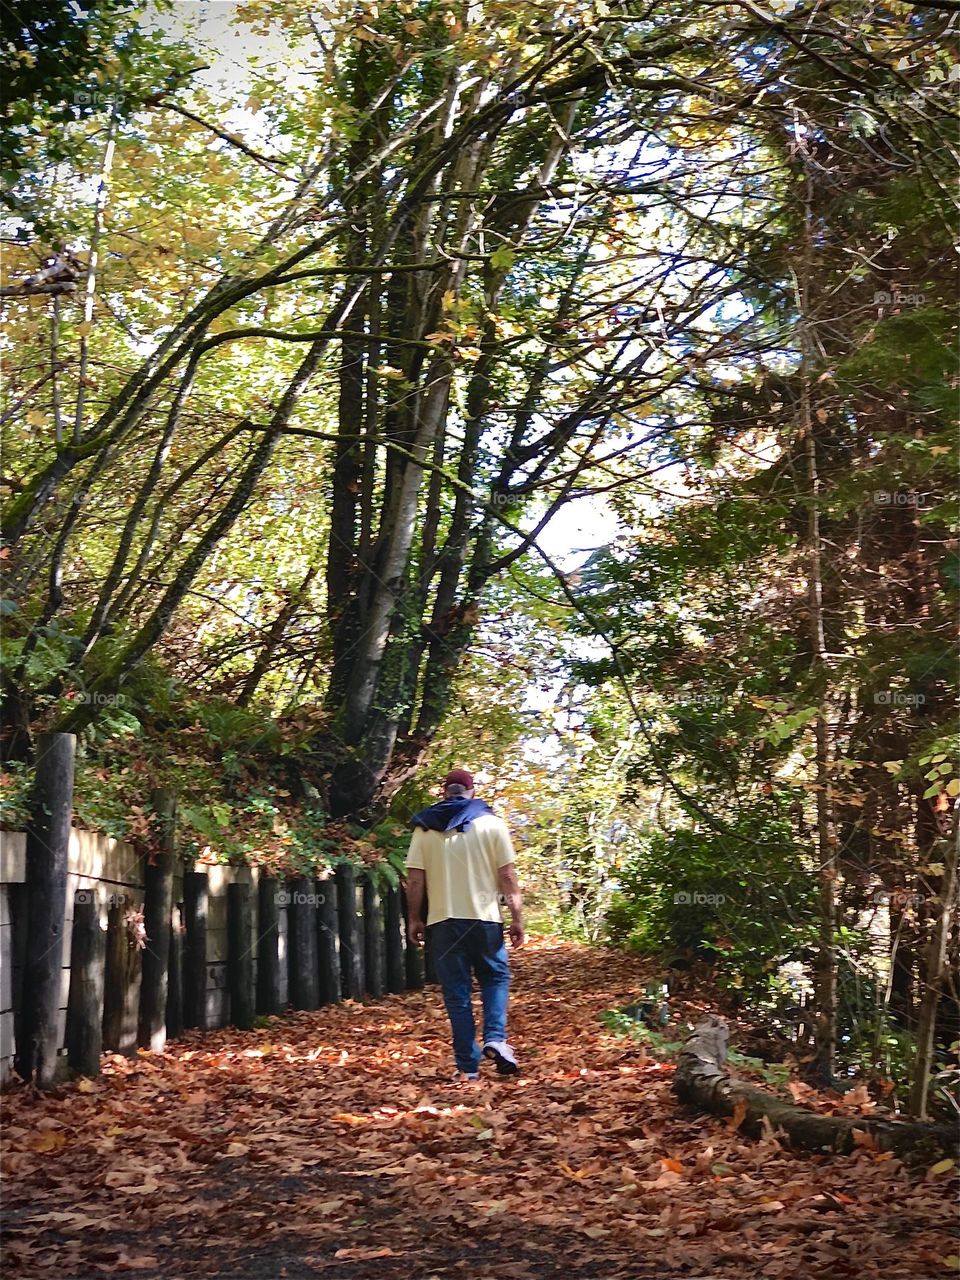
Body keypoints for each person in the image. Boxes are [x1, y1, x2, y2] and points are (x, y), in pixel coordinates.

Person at [405, 768, 524, 1081]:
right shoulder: (492, 824)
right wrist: (517, 918)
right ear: (471, 791)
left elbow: (415, 879)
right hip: (485, 919)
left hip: (443, 922)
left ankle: (468, 1068)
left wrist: (414, 917)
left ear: (446, 792)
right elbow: (508, 876)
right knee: (495, 977)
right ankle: (496, 1039)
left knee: (456, 994)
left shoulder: (424, 828)